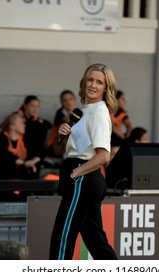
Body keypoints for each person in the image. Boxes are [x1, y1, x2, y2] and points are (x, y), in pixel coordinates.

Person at [49, 63, 118, 260]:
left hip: (83, 176)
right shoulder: (83, 111)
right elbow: (69, 148)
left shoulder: (98, 112)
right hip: (82, 176)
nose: (93, 85)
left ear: (106, 88)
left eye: (99, 82)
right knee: (97, 243)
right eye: (90, 79)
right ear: (84, 81)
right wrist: (64, 133)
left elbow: (104, 156)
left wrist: (75, 174)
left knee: (62, 239)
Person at [0, 112, 39, 201]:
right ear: (12, 127)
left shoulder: (24, 137)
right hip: (2, 172)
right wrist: (24, 163)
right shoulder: (2, 138)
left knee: (31, 171)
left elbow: (37, 151)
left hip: (19, 170)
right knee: (9, 167)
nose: (24, 125)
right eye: (21, 123)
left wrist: (33, 161)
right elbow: (6, 156)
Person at [18, 95, 52, 177]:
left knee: (40, 126)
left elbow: (49, 125)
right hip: (21, 152)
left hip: (35, 154)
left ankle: (36, 160)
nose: (35, 109)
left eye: (37, 106)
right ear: (25, 106)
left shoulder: (37, 121)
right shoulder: (17, 118)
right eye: (32, 106)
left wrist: (39, 121)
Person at [47, 90, 77, 158]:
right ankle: (67, 155)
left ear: (74, 99)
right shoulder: (60, 113)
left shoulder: (79, 112)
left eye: (70, 99)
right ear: (62, 102)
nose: (68, 102)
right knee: (65, 129)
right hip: (58, 145)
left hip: (76, 145)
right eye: (65, 100)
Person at [110, 90, 132, 160]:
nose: (125, 101)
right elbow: (113, 127)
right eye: (122, 98)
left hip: (117, 138)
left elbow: (129, 126)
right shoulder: (108, 111)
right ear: (116, 100)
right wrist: (124, 139)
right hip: (109, 137)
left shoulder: (121, 112)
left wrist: (128, 136)